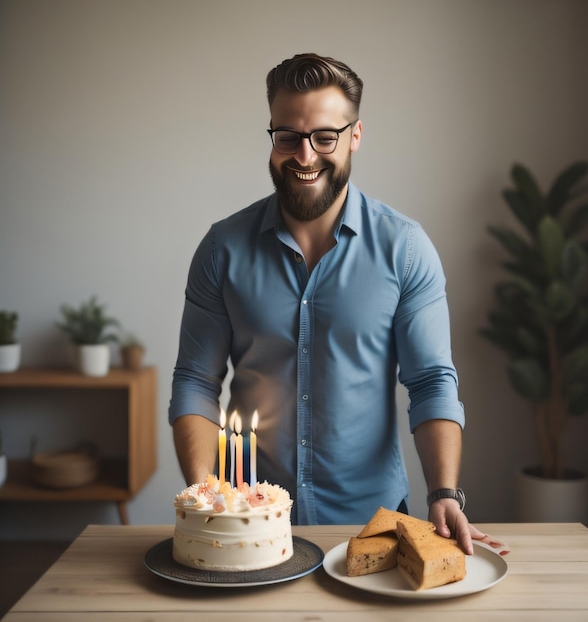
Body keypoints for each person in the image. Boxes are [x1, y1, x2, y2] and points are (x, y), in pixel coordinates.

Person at [170, 53, 493, 555]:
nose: (305, 156)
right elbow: (195, 381)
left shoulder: (405, 249)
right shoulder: (221, 249)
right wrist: (205, 495)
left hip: (375, 529)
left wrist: (444, 491)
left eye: (325, 137)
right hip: (251, 527)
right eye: (288, 137)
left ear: (355, 136)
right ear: (272, 136)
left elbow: (431, 382)